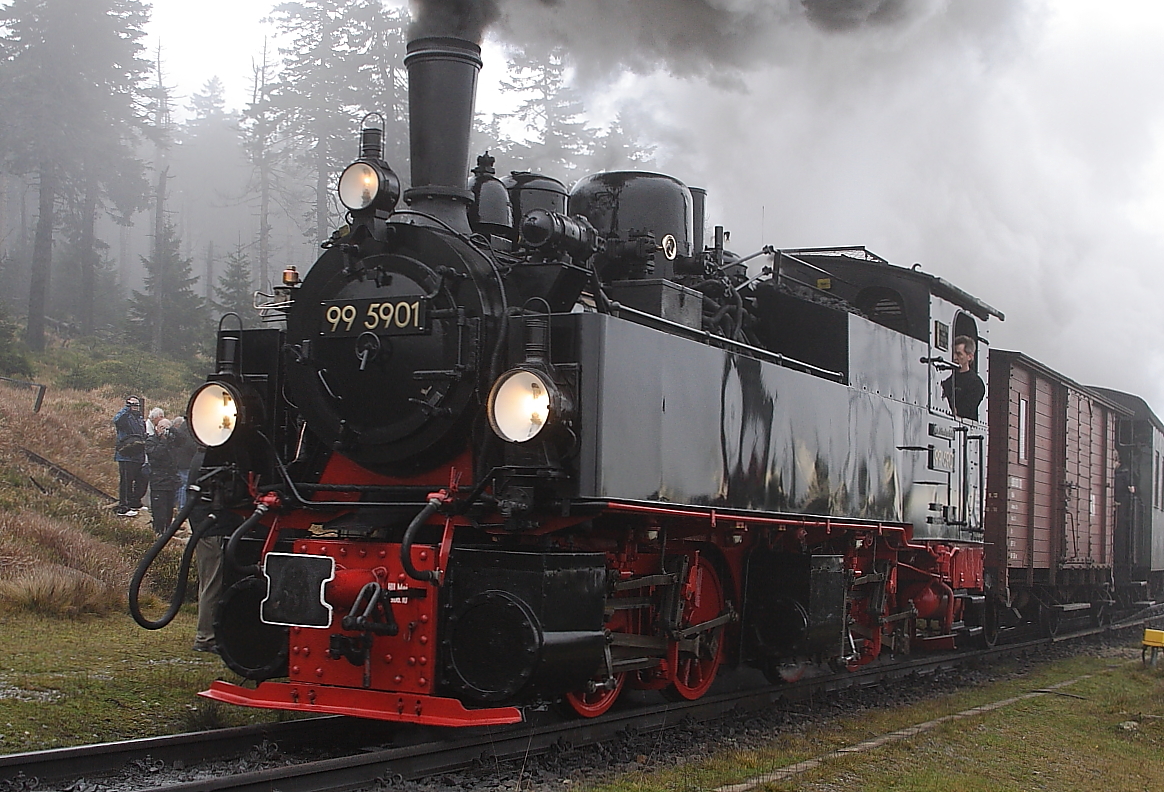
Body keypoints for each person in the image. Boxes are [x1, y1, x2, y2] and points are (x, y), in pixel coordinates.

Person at [144, 418, 180, 536]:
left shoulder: (173, 441)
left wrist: (173, 431)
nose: (163, 431)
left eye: (166, 428)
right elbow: (156, 454)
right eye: (161, 428)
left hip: (171, 481)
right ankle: (158, 534)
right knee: (159, 512)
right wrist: (163, 441)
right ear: (156, 428)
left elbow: (184, 440)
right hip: (158, 481)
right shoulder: (151, 441)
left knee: (169, 511)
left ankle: (167, 534)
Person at [113, 395, 147, 517]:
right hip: (125, 455)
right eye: (132, 404)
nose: (135, 407)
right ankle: (124, 506)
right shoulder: (124, 418)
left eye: (136, 405)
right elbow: (116, 420)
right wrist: (126, 408)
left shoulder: (139, 418)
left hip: (138, 455)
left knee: (140, 480)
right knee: (126, 482)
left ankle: (134, 502)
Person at [941, 335, 986, 421]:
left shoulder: (976, 384)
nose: (954, 357)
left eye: (958, 354)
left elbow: (964, 411)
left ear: (970, 356)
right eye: (953, 353)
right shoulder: (947, 380)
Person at [169, 416, 200, 511]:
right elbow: (190, 445)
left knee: (180, 485)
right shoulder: (189, 428)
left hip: (181, 461)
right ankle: (182, 508)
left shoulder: (183, 427)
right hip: (186, 461)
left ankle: (176, 505)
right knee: (184, 485)